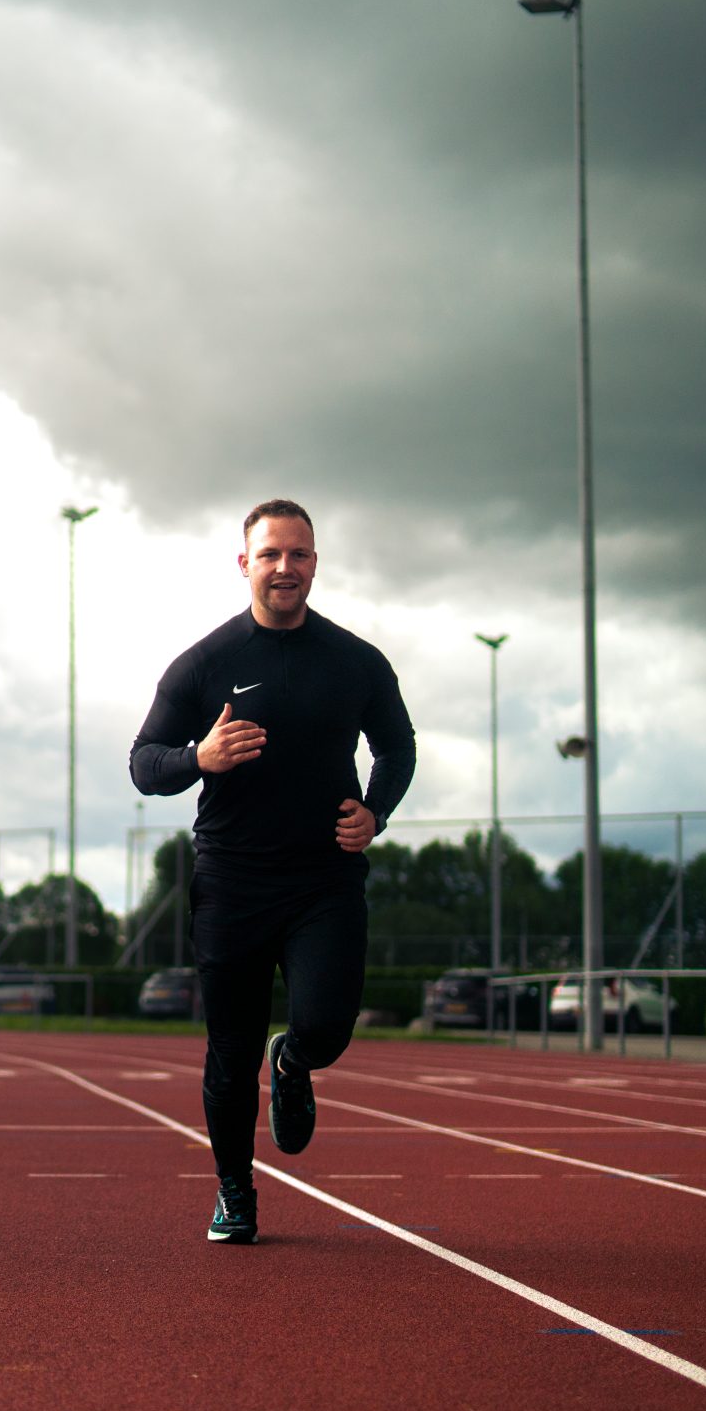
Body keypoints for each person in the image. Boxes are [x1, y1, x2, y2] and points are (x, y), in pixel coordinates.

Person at [128, 499, 416, 1244]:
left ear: (314, 563)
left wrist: (376, 812)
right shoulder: (205, 665)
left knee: (323, 1026)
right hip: (232, 882)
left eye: (300, 555)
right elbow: (143, 763)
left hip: (325, 877)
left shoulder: (356, 661)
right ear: (245, 563)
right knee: (230, 1050)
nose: (286, 568)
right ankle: (234, 1191)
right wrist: (200, 758)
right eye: (271, 555)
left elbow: (398, 747)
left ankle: (295, 1061)